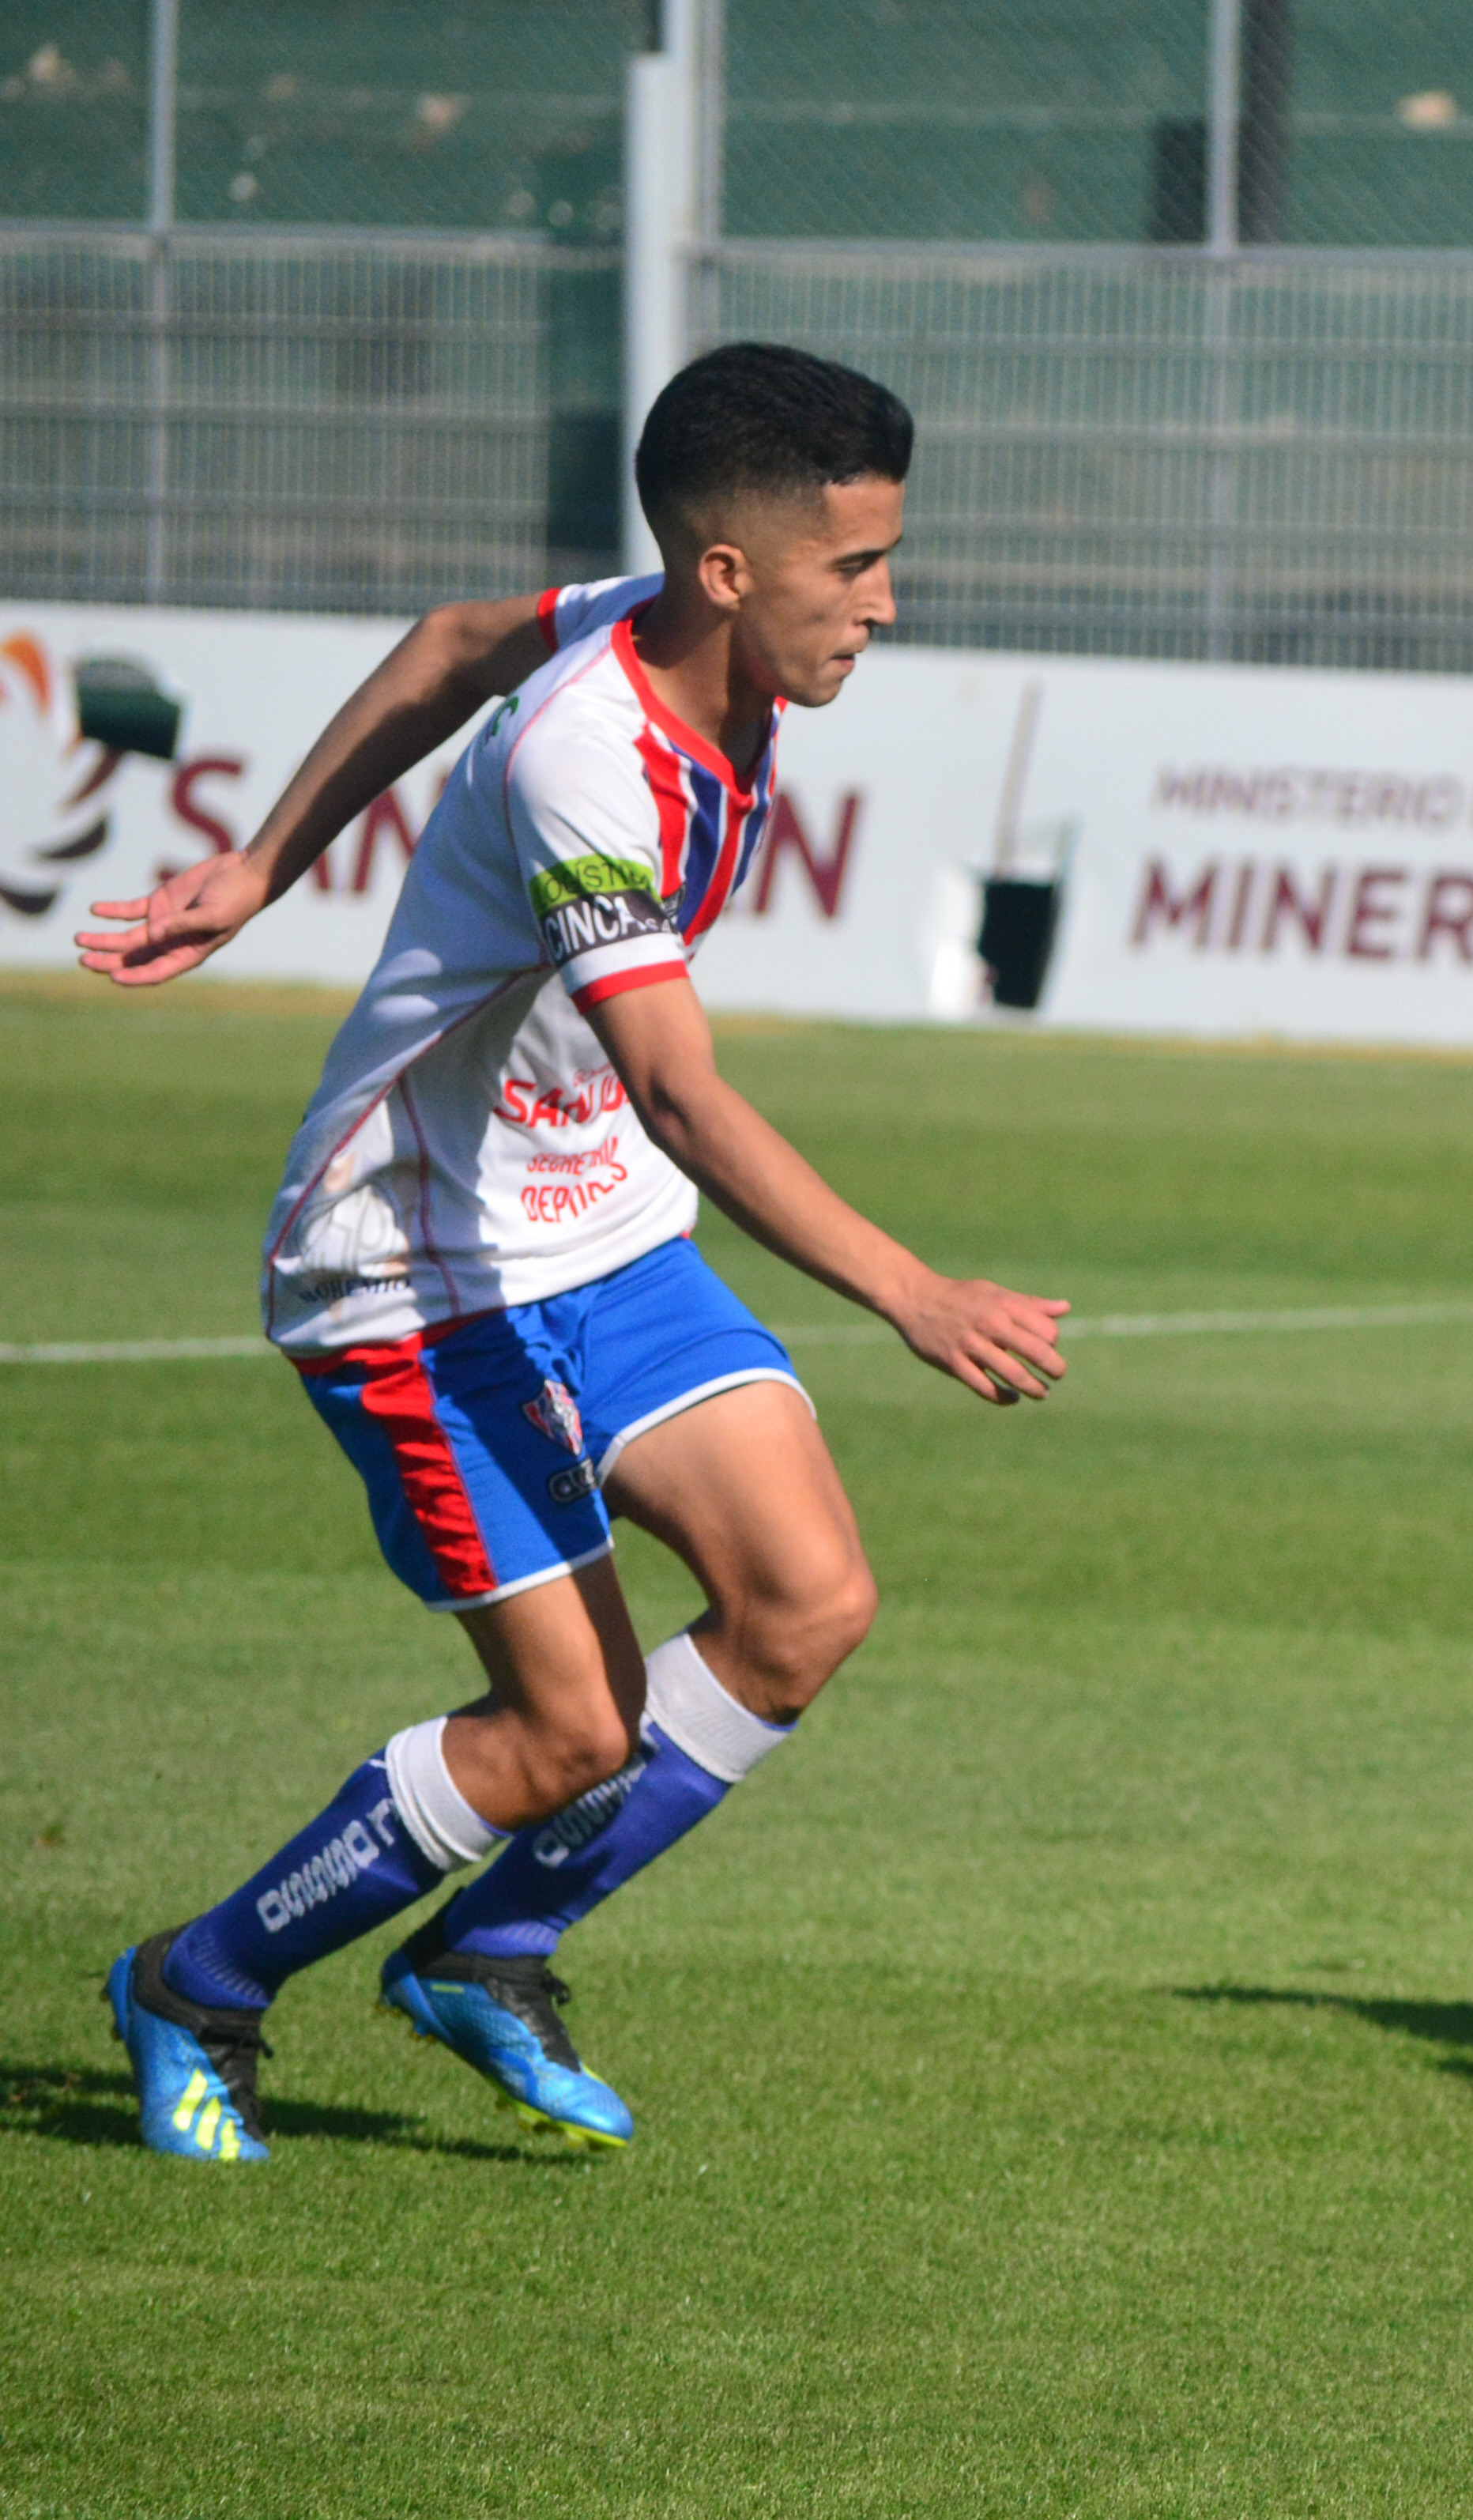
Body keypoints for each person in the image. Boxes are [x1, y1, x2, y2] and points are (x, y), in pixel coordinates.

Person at [75, 342, 1070, 2163]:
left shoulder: (668, 625)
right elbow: (681, 1091)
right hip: (413, 1265)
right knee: (569, 1732)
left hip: (588, 1223)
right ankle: (194, 1984)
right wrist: (912, 1292)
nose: (884, 603)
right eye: (854, 567)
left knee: (803, 1605)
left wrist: (266, 862)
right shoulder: (587, 764)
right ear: (729, 571)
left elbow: (451, 639)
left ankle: (491, 1949)